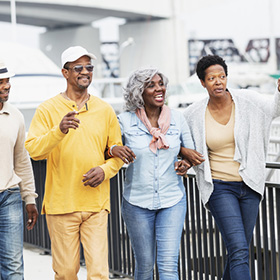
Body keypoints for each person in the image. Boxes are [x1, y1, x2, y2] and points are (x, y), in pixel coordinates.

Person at [25, 46, 123, 280]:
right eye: (77, 67)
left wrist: (104, 169)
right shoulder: (47, 109)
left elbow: (117, 154)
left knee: (99, 273)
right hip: (61, 204)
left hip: (96, 205)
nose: (85, 72)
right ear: (65, 73)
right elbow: (34, 150)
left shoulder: (105, 110)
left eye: (89, 67)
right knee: (66, 273)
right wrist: (58, 131)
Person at [181, 54, 280, 280]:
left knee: (239, 250)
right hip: (219, 188)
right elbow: (179, 138)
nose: (218, 82)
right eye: (212, 78)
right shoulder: (194, 113)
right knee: (239, 250)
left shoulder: (248, 100)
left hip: (250, 186)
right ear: (202, 82)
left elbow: (275, 109)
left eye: (222, 76)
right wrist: (184, 156)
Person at [106, 68, 202, 280]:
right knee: (145, 265)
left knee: (168, 265)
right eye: (151, 85)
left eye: (161, 83)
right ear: (139, 92)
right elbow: (106, 149)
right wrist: (113, 149)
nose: (159, 88)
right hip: (136, 203)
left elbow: (192, 153)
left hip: (172, 200)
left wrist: (184, 163)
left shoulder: (178, 118)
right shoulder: (124, 121)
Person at [0, 59, 38, 279]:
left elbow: (22, 160)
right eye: (1, 81)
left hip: (10, 197)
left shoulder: (15, 115)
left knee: (13, 266)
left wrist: (29, 198)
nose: (6, 86)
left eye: (8, 81)